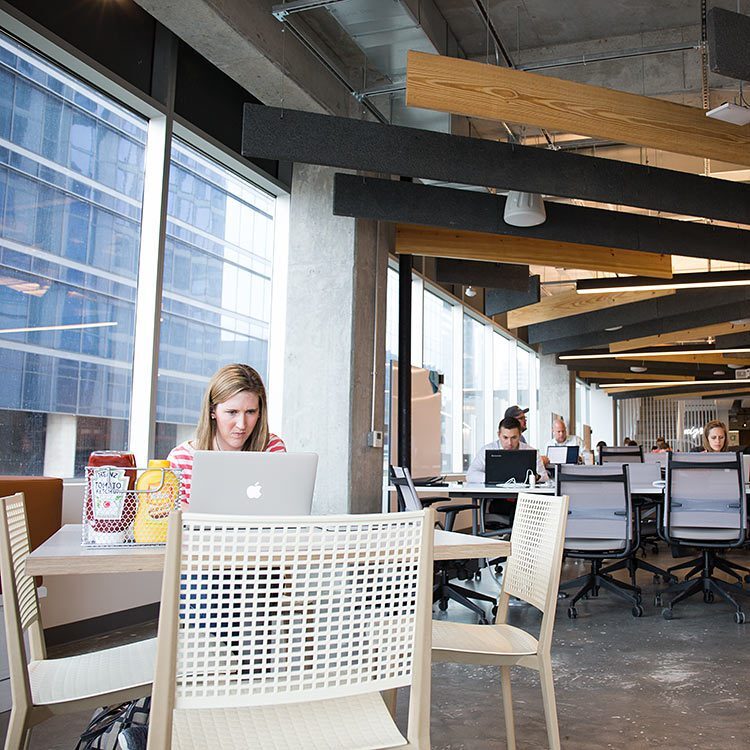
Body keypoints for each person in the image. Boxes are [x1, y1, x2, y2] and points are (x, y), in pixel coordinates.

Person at [168, 363, 286, 503]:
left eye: (250, 412)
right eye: (232, 412)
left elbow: (279, 507)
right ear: (212, 411)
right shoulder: (181, 459)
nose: (242, 424)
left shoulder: (271, 448)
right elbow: (168, 518)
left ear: (260, 412)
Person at [466, 416, 548, 483]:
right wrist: (493, 478)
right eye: (505, 437)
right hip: (495, 496)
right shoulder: (487, 450)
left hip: (523, 496)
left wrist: (534, 477)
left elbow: (544, 477)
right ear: (499, 435)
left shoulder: (530, 451)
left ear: (520, 435)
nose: (509, 443)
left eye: (514, 438)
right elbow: (470, 475)